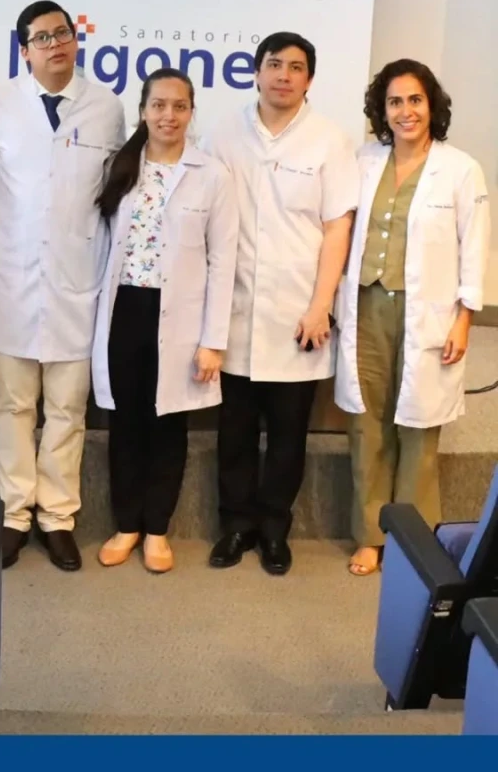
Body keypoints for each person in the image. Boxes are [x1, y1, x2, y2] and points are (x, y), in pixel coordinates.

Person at [198, 31, 359, 576]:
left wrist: (321, 305)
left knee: (288, 435)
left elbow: (337, 228)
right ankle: (235, 525)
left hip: (299, 313)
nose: (283, 76)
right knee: (235, 431)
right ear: (256, 72)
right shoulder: (224, 133)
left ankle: (273, 530)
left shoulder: (329, 140)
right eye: (274, 64)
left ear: (309, 79)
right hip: (235, 310)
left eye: (295, 67)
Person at [0, 0, 127, 571]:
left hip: (76, 278)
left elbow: (112, 190)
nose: (56, 44)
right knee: (14, 405)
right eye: (42, 37)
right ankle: (15, 514)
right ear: (25, 50)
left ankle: (57, 517)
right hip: (14, 276)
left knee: (67, 407)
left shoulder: (105, 107)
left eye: (63, 33)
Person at [334, 60, 490, 576]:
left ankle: (412, 541)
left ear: (432, 105)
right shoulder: (363, 161)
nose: (406, 112)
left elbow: (475, 248)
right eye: (395, 102)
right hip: (366, 305)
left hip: (430, 310)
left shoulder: (460, 169)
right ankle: (370, 533)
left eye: (415, 100)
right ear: (382, 110)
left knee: (419, 427)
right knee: (368, 423)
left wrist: (464, 318)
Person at [91, 69, 238, 573]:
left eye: (179, 106)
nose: (168, 116)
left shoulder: (212, 175)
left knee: (168, 425)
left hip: (179, 318)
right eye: (158, 105)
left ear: (191, 112)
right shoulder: (120, 166)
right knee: (125, 423)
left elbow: (223, 262)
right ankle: (126, 525)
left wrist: (213, 340)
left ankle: (157, 529)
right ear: (143, 111)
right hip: (124, 311)